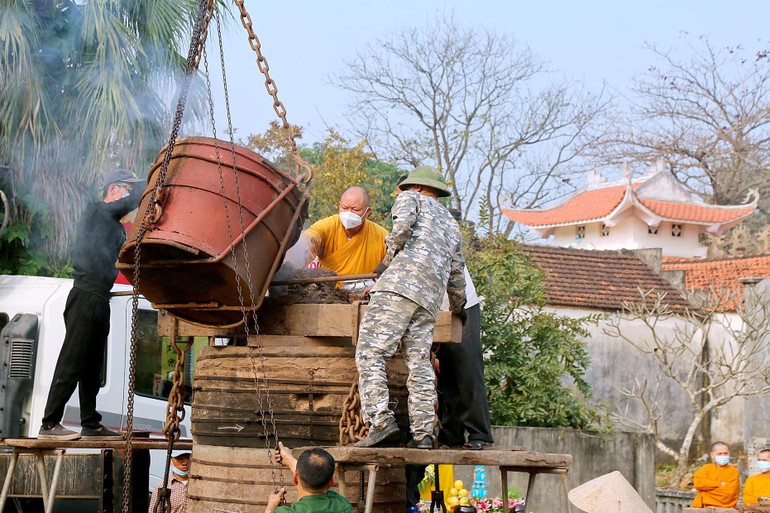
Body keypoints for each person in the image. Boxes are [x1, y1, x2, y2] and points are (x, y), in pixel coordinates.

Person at [354, 166, 466, 449]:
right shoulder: (452, 225)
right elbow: (457, 274)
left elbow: (401, 228)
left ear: (415, 187)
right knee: (419, 363)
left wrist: (386, 262)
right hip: (428, 300)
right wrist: (458, 307)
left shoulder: (409, 199)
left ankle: (380, 422)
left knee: (370, 353)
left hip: (398, 289)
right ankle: (424, 434)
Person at [38, 169, 143, 440]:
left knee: (91, 366)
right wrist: (157, 180)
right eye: (127, 190)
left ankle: (90, 422)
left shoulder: (116, 228)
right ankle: (49, 424)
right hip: (85, 295)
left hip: (100, 298)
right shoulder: (97, 211)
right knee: (72, 361)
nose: (129, 198)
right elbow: (131, 201)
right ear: (114, 189)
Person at [278, 186, 387, 290]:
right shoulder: (327, 227)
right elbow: (310, 239)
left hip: (366, 293)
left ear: (367, 212)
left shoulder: (382, 236)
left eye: (355, 210)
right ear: (339, 205)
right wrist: (292, 258)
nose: (349, 213)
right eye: (345, 208)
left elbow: (393, 267)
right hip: (330, 293)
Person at [265, 442, 352, 513]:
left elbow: (309, 473)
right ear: (331, 482)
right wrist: (288, 458)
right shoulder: (343, 505)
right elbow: (314, 473)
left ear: (295, 478)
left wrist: (270, 507)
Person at [691, 442, 740, 508]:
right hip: (704, 508)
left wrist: (705, 492)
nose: (723, 456)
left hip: (725, 508)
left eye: (725, 453)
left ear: (729, 454)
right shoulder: (705, 469)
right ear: (712, 455)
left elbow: (729, 493)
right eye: (720, 454)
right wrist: (718, 484)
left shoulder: (734, 472)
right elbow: (697, 484)